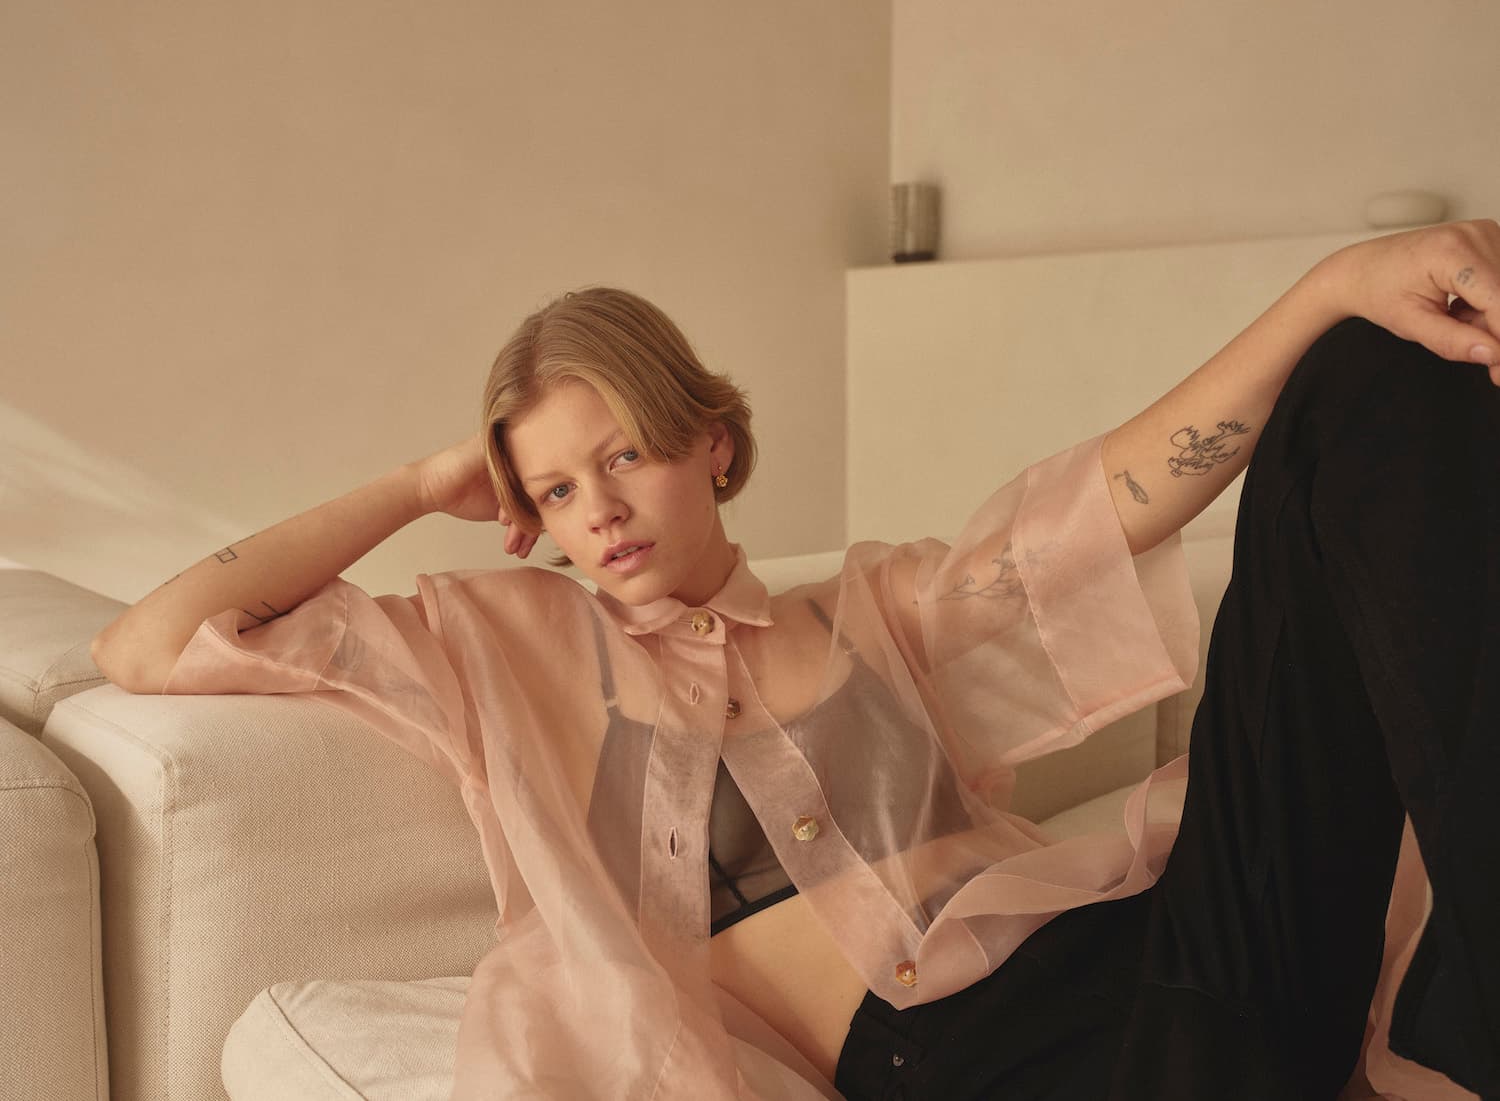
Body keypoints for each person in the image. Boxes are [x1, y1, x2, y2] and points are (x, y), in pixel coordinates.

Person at [92, 219, 1500, 1100]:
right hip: (962, 1064)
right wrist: (419, 479)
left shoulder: (877, 613)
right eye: (559, 489)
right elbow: (150, 643)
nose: (599, 513)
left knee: (1370, 370)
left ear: (709, 438)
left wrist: (1329, 285)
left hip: (1169, 950)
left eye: (624, 455)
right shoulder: (496, 646)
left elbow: (1106, 507)